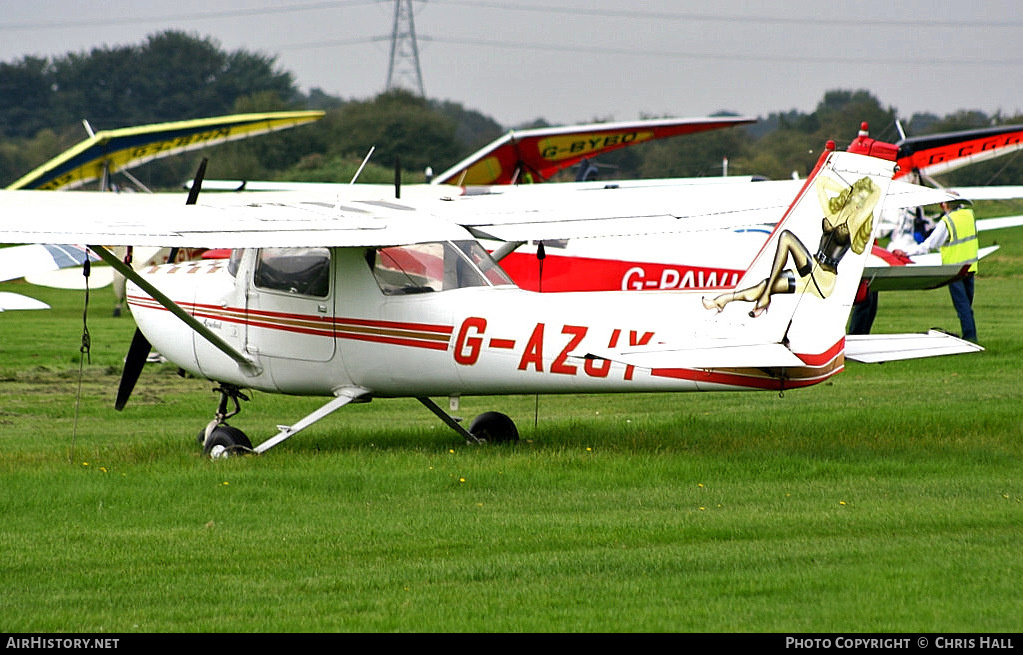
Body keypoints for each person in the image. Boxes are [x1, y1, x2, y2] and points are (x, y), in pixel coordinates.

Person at [893, 198, 979, 342]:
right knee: (967, 305)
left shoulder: (947, 222)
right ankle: (970, 334)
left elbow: (930, 244)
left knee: (962, 305)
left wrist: (907, 253)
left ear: (944, 205)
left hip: (954, 269)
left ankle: (970, 337)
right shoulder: (969, 215)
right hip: (970, 266)